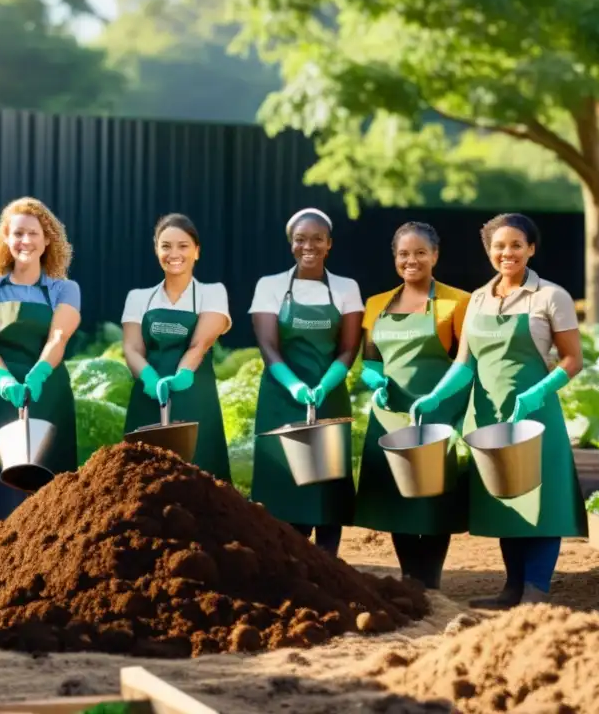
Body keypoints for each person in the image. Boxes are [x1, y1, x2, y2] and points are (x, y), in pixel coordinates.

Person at [410, 213, 586, 607]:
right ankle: (512, 587)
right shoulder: (478, 299)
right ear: (489, 251)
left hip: (535, 416)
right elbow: (464, 365)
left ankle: (535, 591)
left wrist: (539, 393)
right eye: (499, 246)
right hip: (489, 416)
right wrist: (435, 397)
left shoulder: (550, 296)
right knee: (507, 499)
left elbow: (573, 359)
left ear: (531, 249)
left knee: (541, 502)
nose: (508, 253)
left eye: (516, 245)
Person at [0, 197, 80, 550]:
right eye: (17, 233)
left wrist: (37, 373)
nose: (25, 241)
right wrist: (4, 378)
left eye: (33, 233)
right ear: (5, 238)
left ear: (47, 239)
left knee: (46, 482)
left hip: (47, 392)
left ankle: (48, 556)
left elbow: (58, 336)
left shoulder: (64, 289)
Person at [355, 222, 472, 589]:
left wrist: (440, 399)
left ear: (435, 255)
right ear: (395, 258)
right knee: (397, 497)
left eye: (421, 253)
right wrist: (374, 381)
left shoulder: (458, 302)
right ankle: (409, 578)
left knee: (434, 498)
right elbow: (370, 361)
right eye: (404, 254)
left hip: (440, 411)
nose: (412, 260)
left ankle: (431, 580)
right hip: (390, 415)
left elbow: (467, 363)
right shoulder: (377, 304)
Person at [249, 207, 364, 556]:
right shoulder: (269, 286)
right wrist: (293, 384)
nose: (308, 246)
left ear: (329, 244)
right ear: (291, 244)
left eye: (317, 239)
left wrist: (327, 384)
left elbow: (348, 349)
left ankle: (328, 561)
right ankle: (286, 561)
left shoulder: (346, 288)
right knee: (283, 483)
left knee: (327, 486)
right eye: (301, 239)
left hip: (328, 397)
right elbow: (268, 347)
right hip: (280, 397)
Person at [121, 214, 232, 481]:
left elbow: (200, 343)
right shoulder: (138, 297)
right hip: (147, 398)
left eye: (183, 246)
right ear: (156, 250)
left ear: (197, 251)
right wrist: (148, 378)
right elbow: (132, 348)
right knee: (144, 481)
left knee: (201, 477)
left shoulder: (212, 292)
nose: (174, 253)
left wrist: (183, 374)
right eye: (166, 246)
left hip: (196, 395)